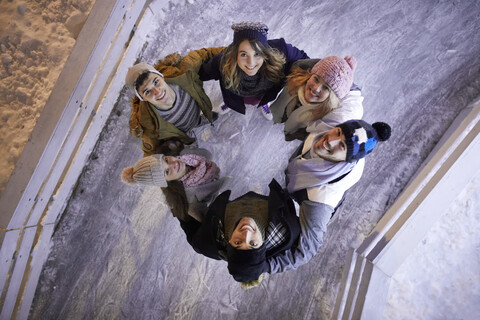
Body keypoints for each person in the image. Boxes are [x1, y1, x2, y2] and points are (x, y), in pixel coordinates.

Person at [125, 46, 225, 157]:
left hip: (194, 115)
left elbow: (205, 54)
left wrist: (236, 52)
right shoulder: (147, 122)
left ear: (161, 76)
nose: (157, 92)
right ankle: (191, 144)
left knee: (193, 120)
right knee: (188, 146)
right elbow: (151, 151)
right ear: (142, 98)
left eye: (156, 81)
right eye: (147, 91)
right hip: (181, 134)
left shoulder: (183, 72)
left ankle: (198, 121)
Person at [200, 22, 309, 120]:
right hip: (237, 94)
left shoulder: (281, 51)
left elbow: (306, 61)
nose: (251, 63)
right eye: (243, 54)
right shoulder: (222, 63)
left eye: (257, 53)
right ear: (235, 54)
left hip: (263, 93)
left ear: (265, 53)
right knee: (234, 99)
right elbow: (201, 73)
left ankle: (263, 103)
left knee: (260, 99)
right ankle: (230, 103)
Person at [269, 56, 363, 140]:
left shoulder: (322, 119)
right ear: (310, 75)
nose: (316, 88)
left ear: (331, 98)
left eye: (326, 88)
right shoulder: (294, 81)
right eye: (316, 79)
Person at [121, 148, 225, 222]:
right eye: (167, 171)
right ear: (167, 182)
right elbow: (214, 221)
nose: (174, 164)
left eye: (166, 160)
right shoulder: (190, 201)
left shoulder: (187, 154)